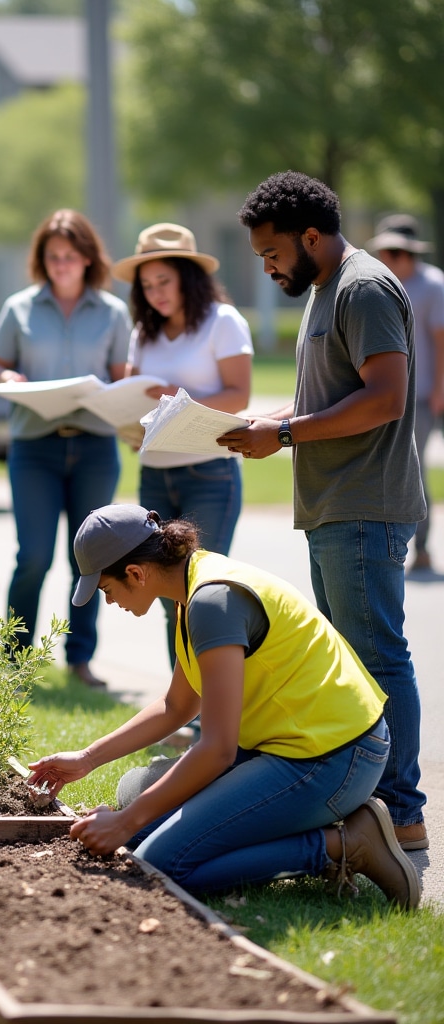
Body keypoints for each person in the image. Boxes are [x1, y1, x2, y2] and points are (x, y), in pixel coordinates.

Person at [27, 505, 420, 908]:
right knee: (135, 792)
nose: (109, 603)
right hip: (287, 746)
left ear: (135, 573)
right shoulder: (191, 586)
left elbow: (217, 750)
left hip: (333, 757)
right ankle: (296, 829)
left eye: (106, 591)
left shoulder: (212, 603)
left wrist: (126, 823)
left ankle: (344, 844)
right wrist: (88, 758)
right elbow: (177, 704)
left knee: (159, 863)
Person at [223, 170, 427, 851]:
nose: (268, 265)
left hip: (365, 506)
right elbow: (324, 397)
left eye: (272, 252)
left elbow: (384, 399)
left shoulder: (363, 287)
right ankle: (374, 803)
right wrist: (265, 420)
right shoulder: (324, 287)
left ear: (310, 236)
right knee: (356, 664)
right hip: (334, 505)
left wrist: (280, 435)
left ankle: (401, 811)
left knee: (378, 660)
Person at [0, 209, 132, 687]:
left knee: (89, 558)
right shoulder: (19, 308)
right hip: (34, 448)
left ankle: (80, 660)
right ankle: (13, 661)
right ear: (42, 260)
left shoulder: (112, 312)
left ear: (88, 258)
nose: (62, 265)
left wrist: (116, 389)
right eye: (53, 257)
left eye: (71, 256)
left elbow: (123, 376)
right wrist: (7, 377)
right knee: (33, 556)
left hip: (93, 446)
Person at [112, 223, 253, 663]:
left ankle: (215, 710)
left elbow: (238, 395)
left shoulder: (223, 321)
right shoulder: (143, 332)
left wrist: (177, 400)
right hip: (154, 474)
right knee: (162, 591)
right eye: (147, 285)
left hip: (210, 472)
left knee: (202, 592)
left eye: (164, 281)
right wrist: (128, 418)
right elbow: (137, 394)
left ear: (188, 277)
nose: (155, 292)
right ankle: (183, 707)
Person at [367, 214, 444, 574]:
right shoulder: (380, 283)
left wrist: (440, 390)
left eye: (395, 252)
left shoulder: (432, 285)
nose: (389, 258)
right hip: (382, 395)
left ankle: (421, 547)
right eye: (385, 251)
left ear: (410, 253)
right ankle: (388, 546)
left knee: (413, 471)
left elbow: (441, 341)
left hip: (422, 394)